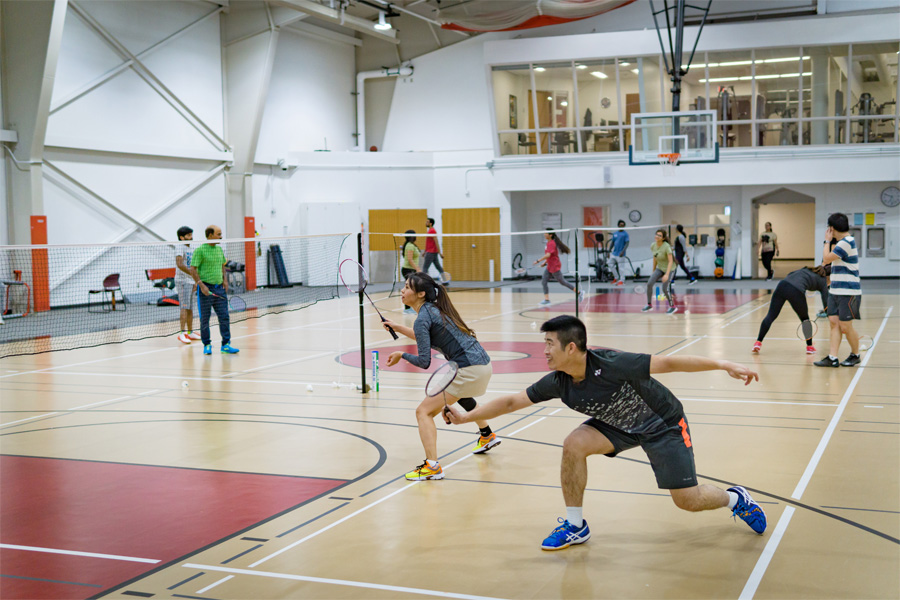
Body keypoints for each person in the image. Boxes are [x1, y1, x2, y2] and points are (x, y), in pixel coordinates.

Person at [446, 315, 766, 550]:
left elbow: (669, 363)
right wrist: (465, 418)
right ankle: (575, 525)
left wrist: (723, 364)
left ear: (571, 348)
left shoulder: (612, 364)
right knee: (574, 444)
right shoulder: (558, 380)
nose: (544, 351)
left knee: (688, 500)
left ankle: (735, 498)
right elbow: (513, 400)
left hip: (662, 424)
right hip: (619, 426)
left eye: (549, 345)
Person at [382, 272, 499, 481]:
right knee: (460, 395)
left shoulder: (423, 317)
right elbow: (424, 336)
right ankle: (487, 435)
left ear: (420, 294)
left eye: (407, 287)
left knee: (423, 412)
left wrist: (402, 355)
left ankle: (432, 466)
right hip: (483, 364)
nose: (402, 290)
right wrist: (398, 327)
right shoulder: (434, 310)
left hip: (468, 368)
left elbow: (424, 361)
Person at [815, 213, 862, 367]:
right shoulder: (842, 242)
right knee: (834, 323)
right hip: (835, 290)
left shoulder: (847, 242)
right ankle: (832, 357)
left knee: (845, 326)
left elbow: (826, 259)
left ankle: (855, 354)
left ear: (832, 228)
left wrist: (826, 241)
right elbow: (827, 261)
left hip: (848, 291)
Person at [753, 265, 829, 354]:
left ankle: (758, 342)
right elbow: (826, 303)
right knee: (805, 320)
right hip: (796, 291)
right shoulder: (823, 281)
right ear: (828, 276)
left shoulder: (806, 269)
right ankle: (809, 347)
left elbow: (790, 274)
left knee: (770, 316)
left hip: (782, 285)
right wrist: (829, 314)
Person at [190, 225, 239, 355]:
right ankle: (207, 344)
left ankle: (226, 344)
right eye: (218, 234)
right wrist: (201, 285)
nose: (221, 236)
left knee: (224, 317)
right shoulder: (200, 250)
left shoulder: (219, 250)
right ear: (210, 235)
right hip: (205, 289)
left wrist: (225, 280)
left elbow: (222, 265)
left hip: (219, 289)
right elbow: (192, 269)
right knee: (204, 319)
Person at [535, 229, 584, 305]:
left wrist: (538, 260)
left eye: (546, 233)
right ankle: (547, 300)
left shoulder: (551, 243)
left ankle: (579, 292)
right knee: (544, 281)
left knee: (563, 282)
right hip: (549, 266)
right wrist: (545, 263)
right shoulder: (548, 243)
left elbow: (548, 255)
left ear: (550, 235)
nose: (544, 234)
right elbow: (550, 256)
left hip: (554, 266)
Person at [174, 226, 201, 345]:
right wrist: (191, 273)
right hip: (182, 281)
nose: (191, 237)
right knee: (184, 307)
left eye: (191, 234)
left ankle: (190, 332)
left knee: (190, 307)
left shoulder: (191, 248)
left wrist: (195, 280)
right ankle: (182, 333)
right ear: (182, 237)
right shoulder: (179, 247)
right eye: (188, 235)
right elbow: (179, 264)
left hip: (191, 281)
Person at [642, 229, 677, 314]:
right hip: (660, 268)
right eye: (656, 234)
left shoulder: (666, 247)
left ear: (663, 238)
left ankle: (672, 306)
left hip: (670, 269)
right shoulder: (653, 245)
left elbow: (670, 261)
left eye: (659, 235)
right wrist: (653, 271)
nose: (657, 236)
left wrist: (667, 274)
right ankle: (649, 305)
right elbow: (655, 258)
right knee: (649, 283)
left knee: (665, 289)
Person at [400, 230, 421, 315]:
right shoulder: (409, 246)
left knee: (412, 288)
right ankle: (407, 309)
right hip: (408, 270)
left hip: (411, 269)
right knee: (410, 288)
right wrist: (417, 269)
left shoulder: (411, 245)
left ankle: (409, 307)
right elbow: (409, 259)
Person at [422, 218, 447, 284]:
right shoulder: (430, 230)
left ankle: (422, 282)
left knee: (425, 268)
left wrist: (440, 253)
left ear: (431, 223)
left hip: (431, 253)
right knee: (438, 267)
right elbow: (428, 243)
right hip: (431, 252)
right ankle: (445, 280)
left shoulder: (432, 231)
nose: (426, 223)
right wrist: (425, 251)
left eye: (427, 222)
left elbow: (436, 242)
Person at [608, 220, 629, 286]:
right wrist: (609, 251)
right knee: (610, 264)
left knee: (621, 267)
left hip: (621, 254)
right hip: (614, 253)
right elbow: (612, 243)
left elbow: (627, 243)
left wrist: (623, 251)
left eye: (623, 225)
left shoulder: (625, 234)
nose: (621, 226)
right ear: (618, 225)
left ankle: (622, 280)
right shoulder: (615, 233)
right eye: (620, 225)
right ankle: (616, 278)